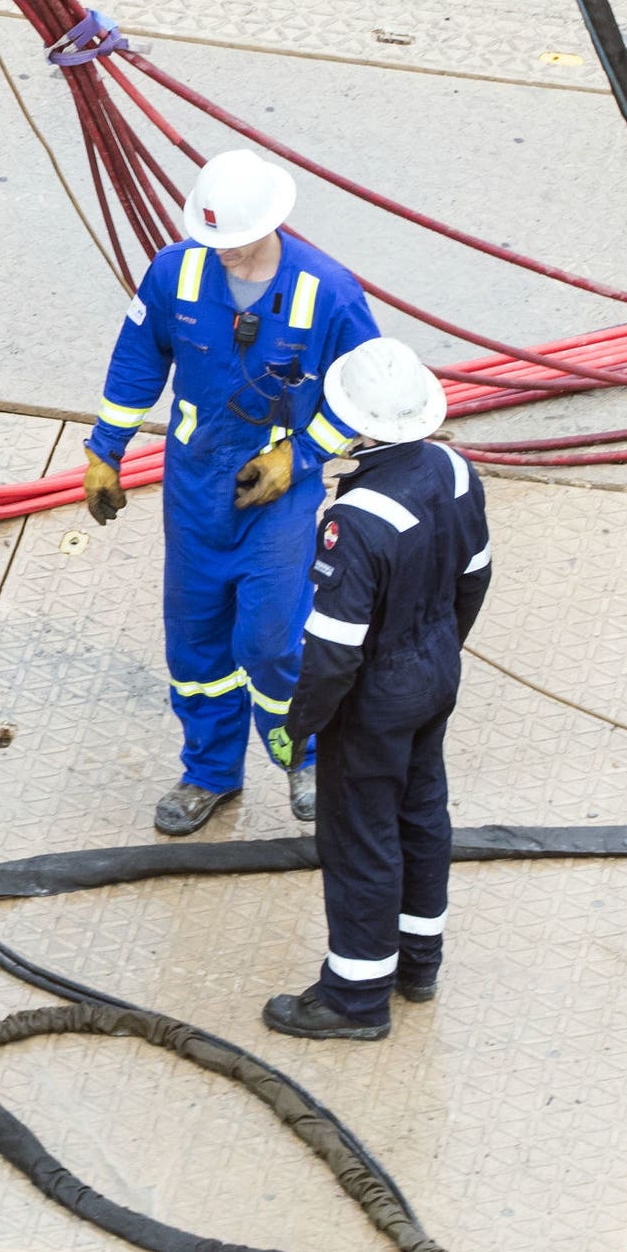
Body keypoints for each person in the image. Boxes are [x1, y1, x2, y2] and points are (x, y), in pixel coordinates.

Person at [81, 149, 378, 836]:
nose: (224, 257)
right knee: (195, 645)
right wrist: (105, 450)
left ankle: (304, 753)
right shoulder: (176, 272)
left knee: (271, 638)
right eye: (212, 242)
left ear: (274, 223)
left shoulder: (326, 293)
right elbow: (137, 360)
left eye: (235, 244)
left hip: (278, 496)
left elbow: (367, 389)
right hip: (195, 490)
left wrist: (299, 455)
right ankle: (210, 772)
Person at [263, 336, 488, 1041]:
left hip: (374, 695)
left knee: (361, 834)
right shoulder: (455, 469)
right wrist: (440, 646)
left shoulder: (353, 520)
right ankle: (419, 962)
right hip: (435, 669)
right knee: (422, 813)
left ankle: (356, 996)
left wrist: (301, 724)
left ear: (354, 419)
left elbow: (332, 652)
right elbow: (474, 575)